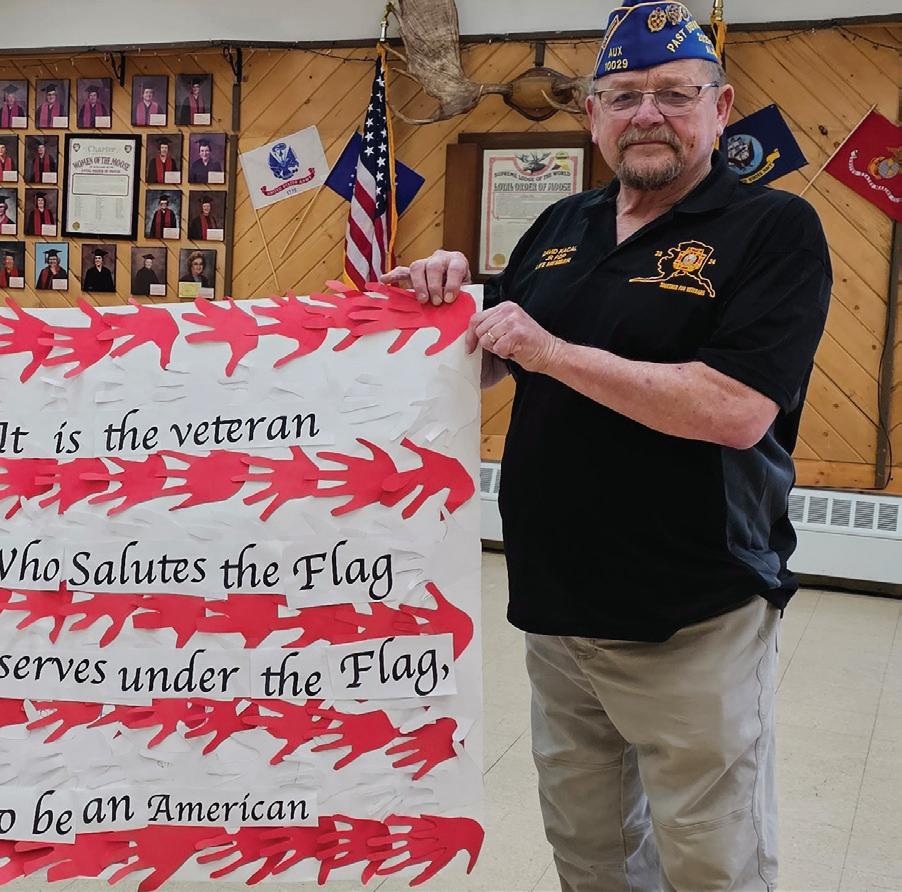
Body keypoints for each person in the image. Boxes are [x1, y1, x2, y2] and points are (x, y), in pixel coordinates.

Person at [382, 2, 832, 889]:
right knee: (590, 854)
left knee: (712, 861)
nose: (647, 114)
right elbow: (487, 362)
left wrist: (551, 351)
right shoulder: (561, 224)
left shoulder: (773, 229)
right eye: (624, 96)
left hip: (692, 610)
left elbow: (736, 409)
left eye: (674, 93)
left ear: (720, 107)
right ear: (593, 115)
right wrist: (431, 313)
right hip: (555, 607)